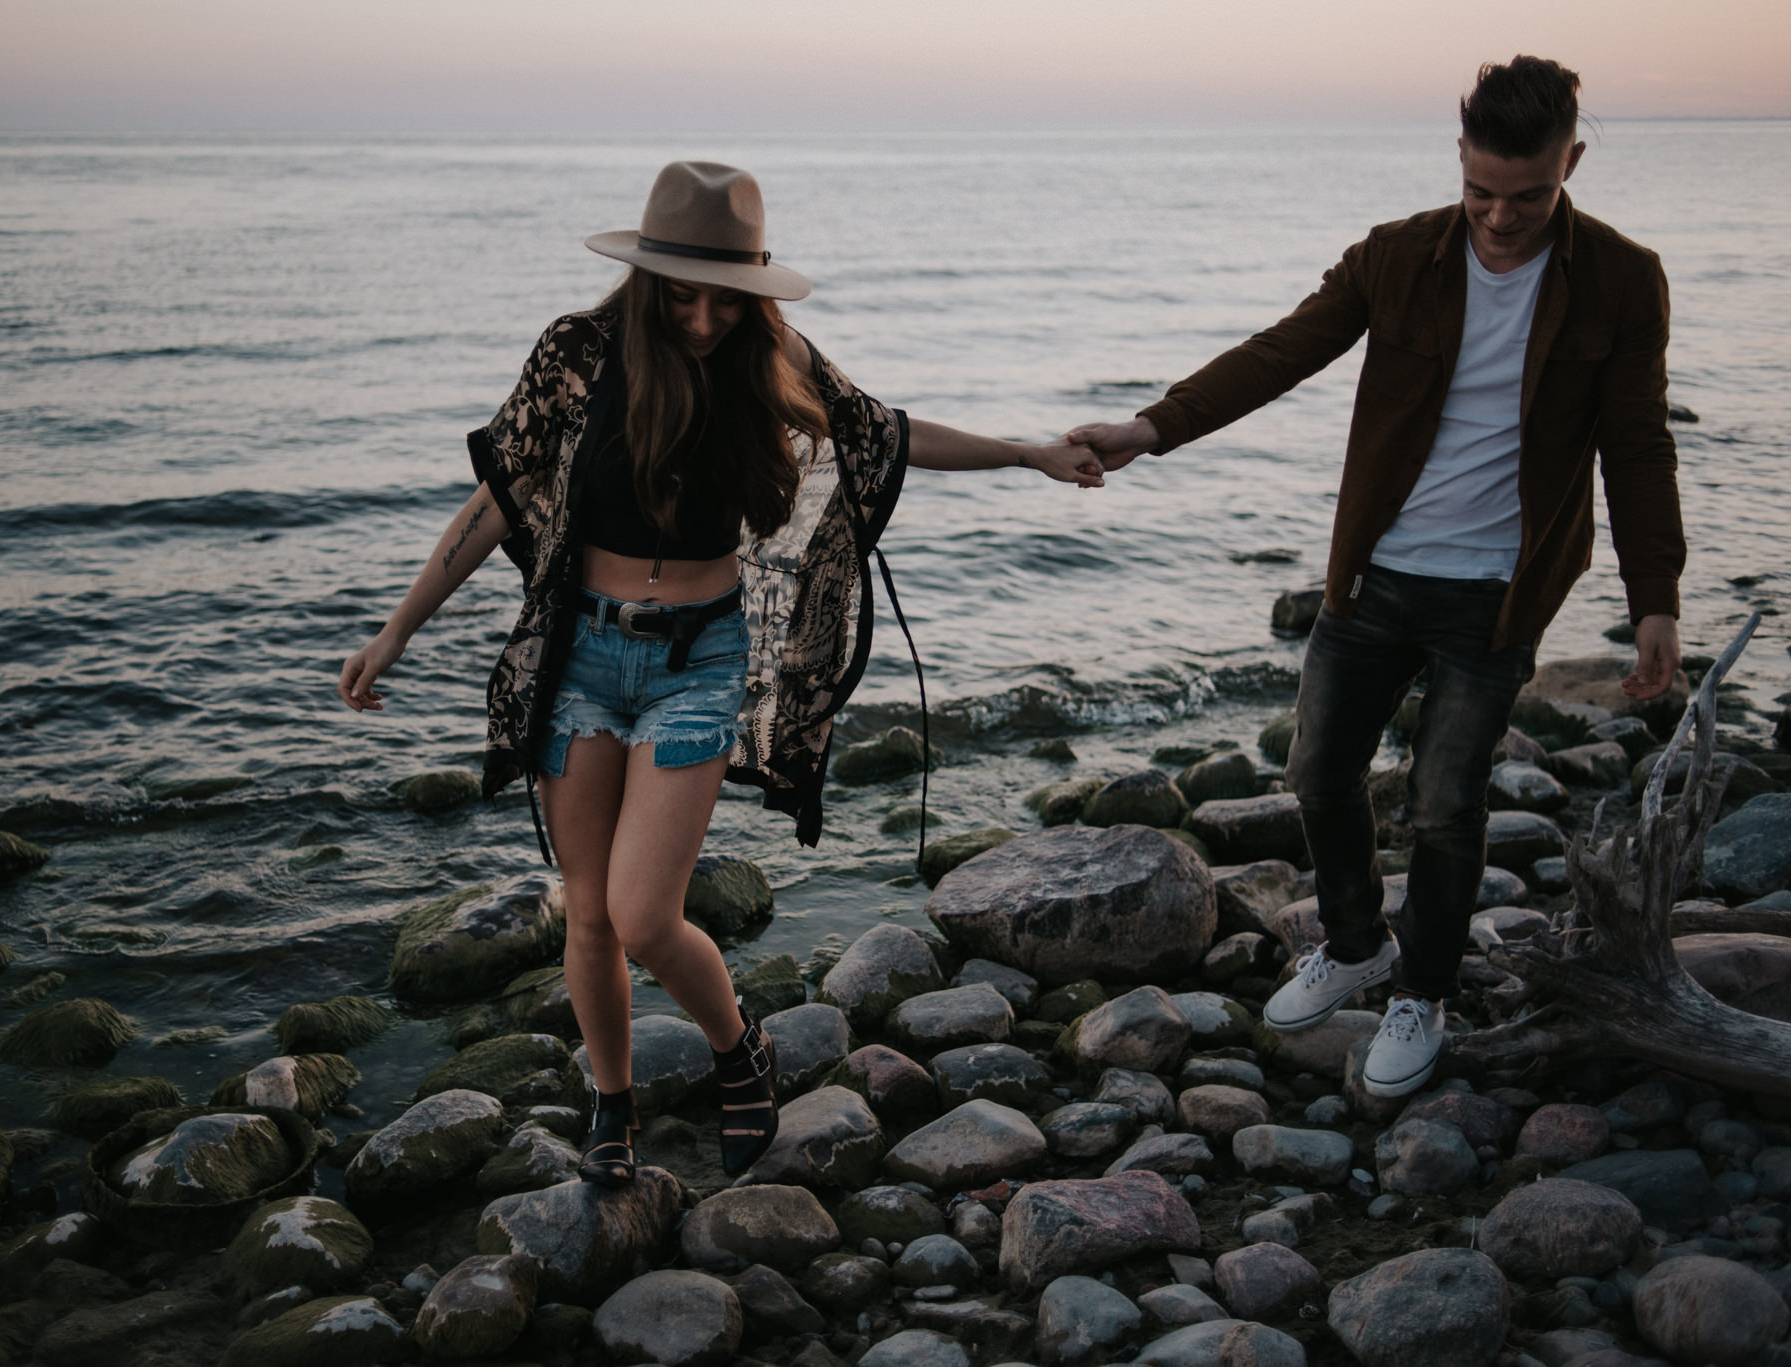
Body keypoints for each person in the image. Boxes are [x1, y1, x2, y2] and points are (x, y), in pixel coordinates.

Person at [340, 161, 1104, 1183]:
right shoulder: (578, 352)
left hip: (699, 659)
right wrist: (394, 631)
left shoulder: (768, 356)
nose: (701, 317)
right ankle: (609, 1105)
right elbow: (497, 497)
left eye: (724, 296)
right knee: (591, 909)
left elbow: (889, 437)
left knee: (647, 914)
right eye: (682, 293)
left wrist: (1027, 453)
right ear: (646, 275)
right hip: (581, 656)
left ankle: (737, 1049)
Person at [1067, 57, 1685, 1098]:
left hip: (1496, 591)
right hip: (1373, 578)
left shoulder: (1622, 278)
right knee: (1315, 774)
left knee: (1446, 801)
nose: (1497, 217)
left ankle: (1423, 989)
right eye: (1479, 190)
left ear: (1569, 162)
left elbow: (1634, 443)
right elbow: (1280, 352)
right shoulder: (1396, 258)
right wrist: (1149, 426)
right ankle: (1353, 941)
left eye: (1525, 196)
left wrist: (1653, 597)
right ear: (1457, 160)